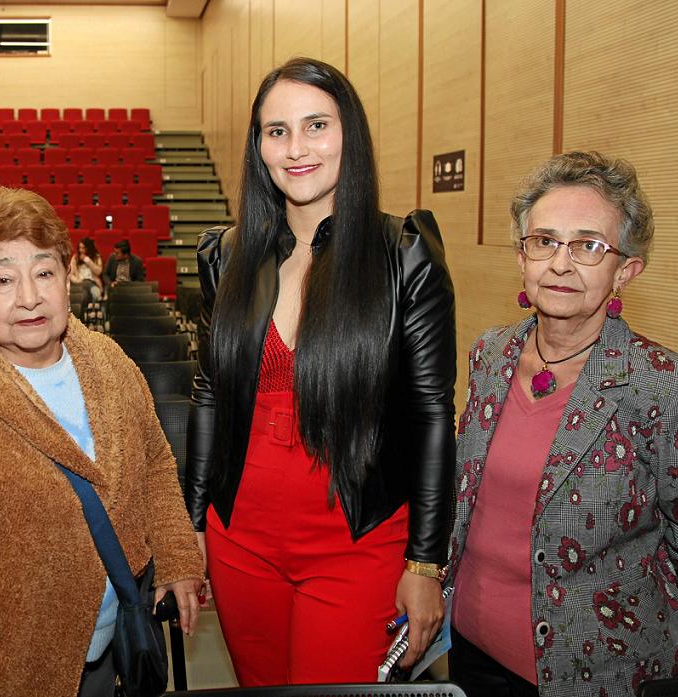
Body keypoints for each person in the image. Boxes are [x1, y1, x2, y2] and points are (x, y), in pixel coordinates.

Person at [185, 56, 456, 686]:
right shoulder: (225, 256)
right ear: (258, 146)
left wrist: (424, 564)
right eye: (276, 131)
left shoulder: (404, 254)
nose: (296, 148)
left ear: (349, 136)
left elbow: (432, 415)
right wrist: (193, 522)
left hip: (357, 544)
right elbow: (209, 397)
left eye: (316, 125)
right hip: (239, 542)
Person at [0, 187, 203, 697]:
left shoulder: (110, 363)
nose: (28, 297)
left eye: (44, 273)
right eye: (4, 279)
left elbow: (155, 462)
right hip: (10, 672)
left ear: (67, 274)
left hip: (110, 655)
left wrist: (178, 556)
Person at [447, 151, 678, 697]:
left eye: (589, 246)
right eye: (544, 241)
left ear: (624, 270)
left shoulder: (669, 384)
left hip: (600, 672)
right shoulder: (490, 353)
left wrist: (616, 585)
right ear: (522, 257)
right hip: (469, 651)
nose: (560, 264)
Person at [71, 237, 103, 313]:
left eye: (83, 248)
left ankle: (84, 318)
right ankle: (83, 317)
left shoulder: (96, 257)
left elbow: (98, 272)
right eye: (80, 248)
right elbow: (71, 274)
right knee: (84, 295)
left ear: (89, 248)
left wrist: (87, 260)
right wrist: (77, 280)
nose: (81, 250)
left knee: (93, 293)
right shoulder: (75, 258)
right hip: (79, 283)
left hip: (92, 283)